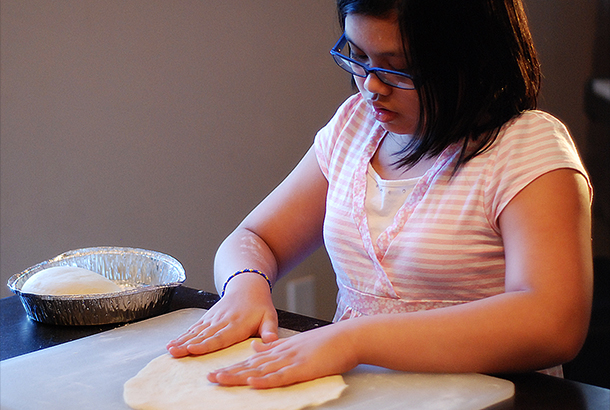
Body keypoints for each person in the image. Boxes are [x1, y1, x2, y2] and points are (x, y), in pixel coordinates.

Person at [166, 0, 593, 389]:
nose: (371, 85)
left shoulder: (527, 151)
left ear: (472, 59)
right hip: (363, 393)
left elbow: (552, 323)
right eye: (358, 56)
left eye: (397, 67)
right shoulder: (356, 127)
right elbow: (256, 239)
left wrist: (354, 339)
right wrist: (246, 286)